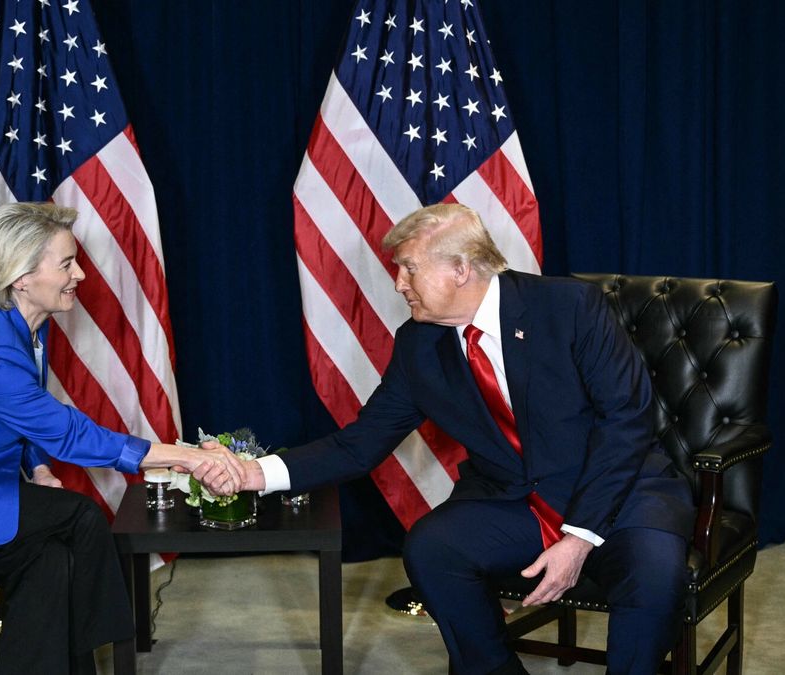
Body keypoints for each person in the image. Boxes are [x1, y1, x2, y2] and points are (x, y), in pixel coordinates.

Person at [230, 203, 694, 674]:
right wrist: (254, 474)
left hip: (622, 494)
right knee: (433, 548)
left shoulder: (570, 307)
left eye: (409, 268)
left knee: (654, 580)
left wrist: (577, 539)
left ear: (460, 268)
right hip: (517, 501)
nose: (398, 284)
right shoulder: (419, 344)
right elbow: (359, 444)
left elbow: (627, 421)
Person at [0, 202, 243, 674]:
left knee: (50, 559)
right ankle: (112, 644)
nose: (80, 274)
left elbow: (25, 419)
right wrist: (181, 457)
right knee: (82, 518)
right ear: (21, 277)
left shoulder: (18, 330)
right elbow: (66, 431)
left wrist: (40, 468)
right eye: (66, 263)